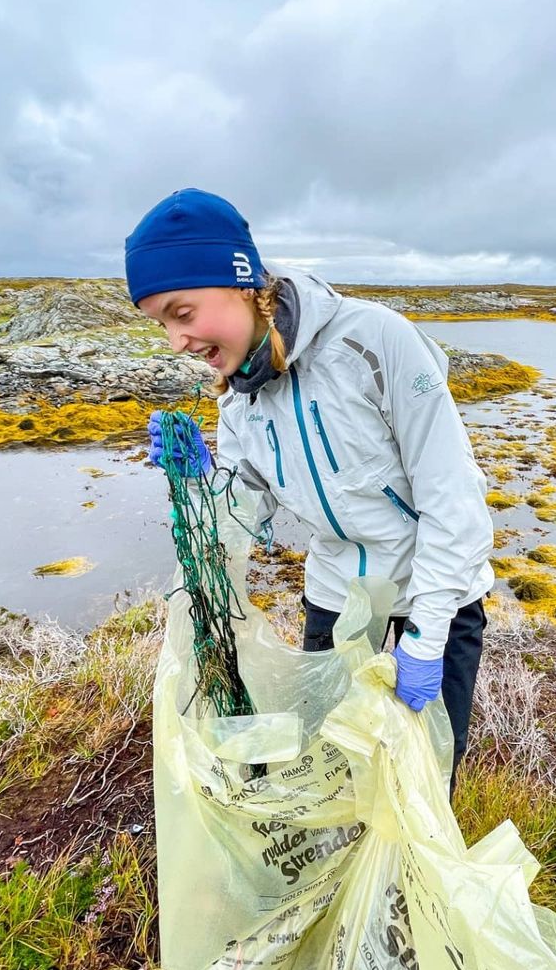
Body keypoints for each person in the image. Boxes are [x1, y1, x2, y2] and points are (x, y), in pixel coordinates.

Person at [125, 188, 494, 788]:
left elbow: (454, 499)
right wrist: (200, 484)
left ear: (242, 283)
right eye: (161, 323)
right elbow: (245, 515)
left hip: (432, 595)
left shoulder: (375, 341)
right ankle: (342, 879)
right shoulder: (240, 396)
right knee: (335, 772)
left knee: (424, 776)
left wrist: (426, 636)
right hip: (336, 599)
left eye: (182, 312)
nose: (176, 342)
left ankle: (411, 880)